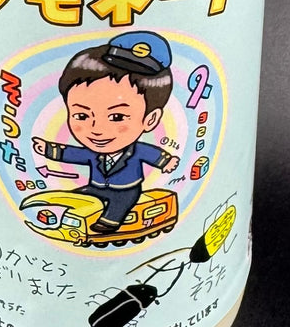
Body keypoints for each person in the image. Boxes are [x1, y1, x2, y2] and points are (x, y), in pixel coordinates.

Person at [32, 31, 180, 235]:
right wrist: (49, 149)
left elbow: (151, 154)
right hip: (95, 187)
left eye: (117, 117)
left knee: (120, 205)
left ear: (150, 119)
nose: (97, 130)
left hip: (126, 190)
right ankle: (68, 225)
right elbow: (73, 154)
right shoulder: (92, 153)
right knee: (77, 198)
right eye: (82, 116)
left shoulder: (136, 151)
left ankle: (111, 221)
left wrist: (166, 161)